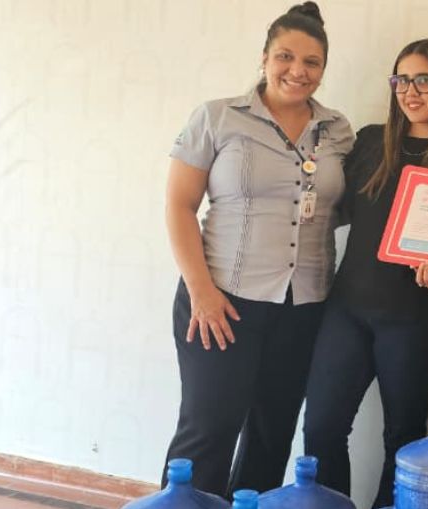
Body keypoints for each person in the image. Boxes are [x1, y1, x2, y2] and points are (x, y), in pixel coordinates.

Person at [162, 2, 354, 497]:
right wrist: (201, 293)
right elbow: (179, 206)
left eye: (311, 62)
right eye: (285, 56)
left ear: (323, 69)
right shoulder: (218, 117)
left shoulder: (337, 130)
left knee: (272, 435)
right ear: (265, 57)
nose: (297, 70)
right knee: (208, 431)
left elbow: (344, 207)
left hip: (303, 305)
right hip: (221, 300)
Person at [302, 38, 428, 508]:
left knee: (403, 439)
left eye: (423, 80)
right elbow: (332, 207)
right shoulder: (369, 142)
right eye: (401, 80)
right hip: (348, 310)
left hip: (418, 321)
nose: (410, 91)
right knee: (321, 426)